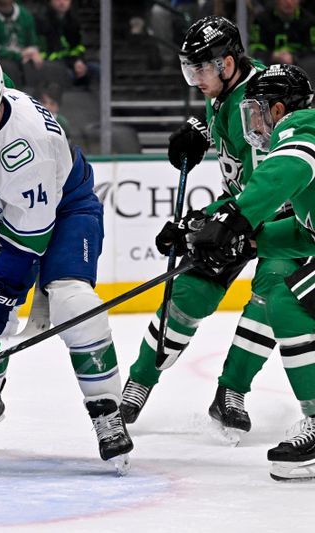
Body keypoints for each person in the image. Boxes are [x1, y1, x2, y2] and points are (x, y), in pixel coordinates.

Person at [0, 48, 133, 467]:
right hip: (0, 215)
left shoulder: (28, 147)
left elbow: (29, 244)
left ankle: (107, 412)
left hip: (65, 209)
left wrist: (2, 291)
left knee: (72, 302)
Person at [119, 17, 300, 441]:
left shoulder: (256, 101)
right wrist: (202, 134)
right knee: (190, 292)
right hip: (242, 206)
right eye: (191, 69)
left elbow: (261, 190)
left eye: (202, 69)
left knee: (270, 295)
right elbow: (236, 165)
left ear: (229, 62)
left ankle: (231, 392)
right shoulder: (222, 91)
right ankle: (140, 381)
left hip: (283, 215)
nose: (196, 79)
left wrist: (203, 223)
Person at [185, 63, 315, 481]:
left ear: (279, 109)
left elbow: (283, 172)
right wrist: (252, 241)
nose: (253, 121)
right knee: (285, 296)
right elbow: (304, 233)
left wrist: (235, 220)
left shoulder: (302, 129)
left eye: (258, 111)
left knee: (287, 300)